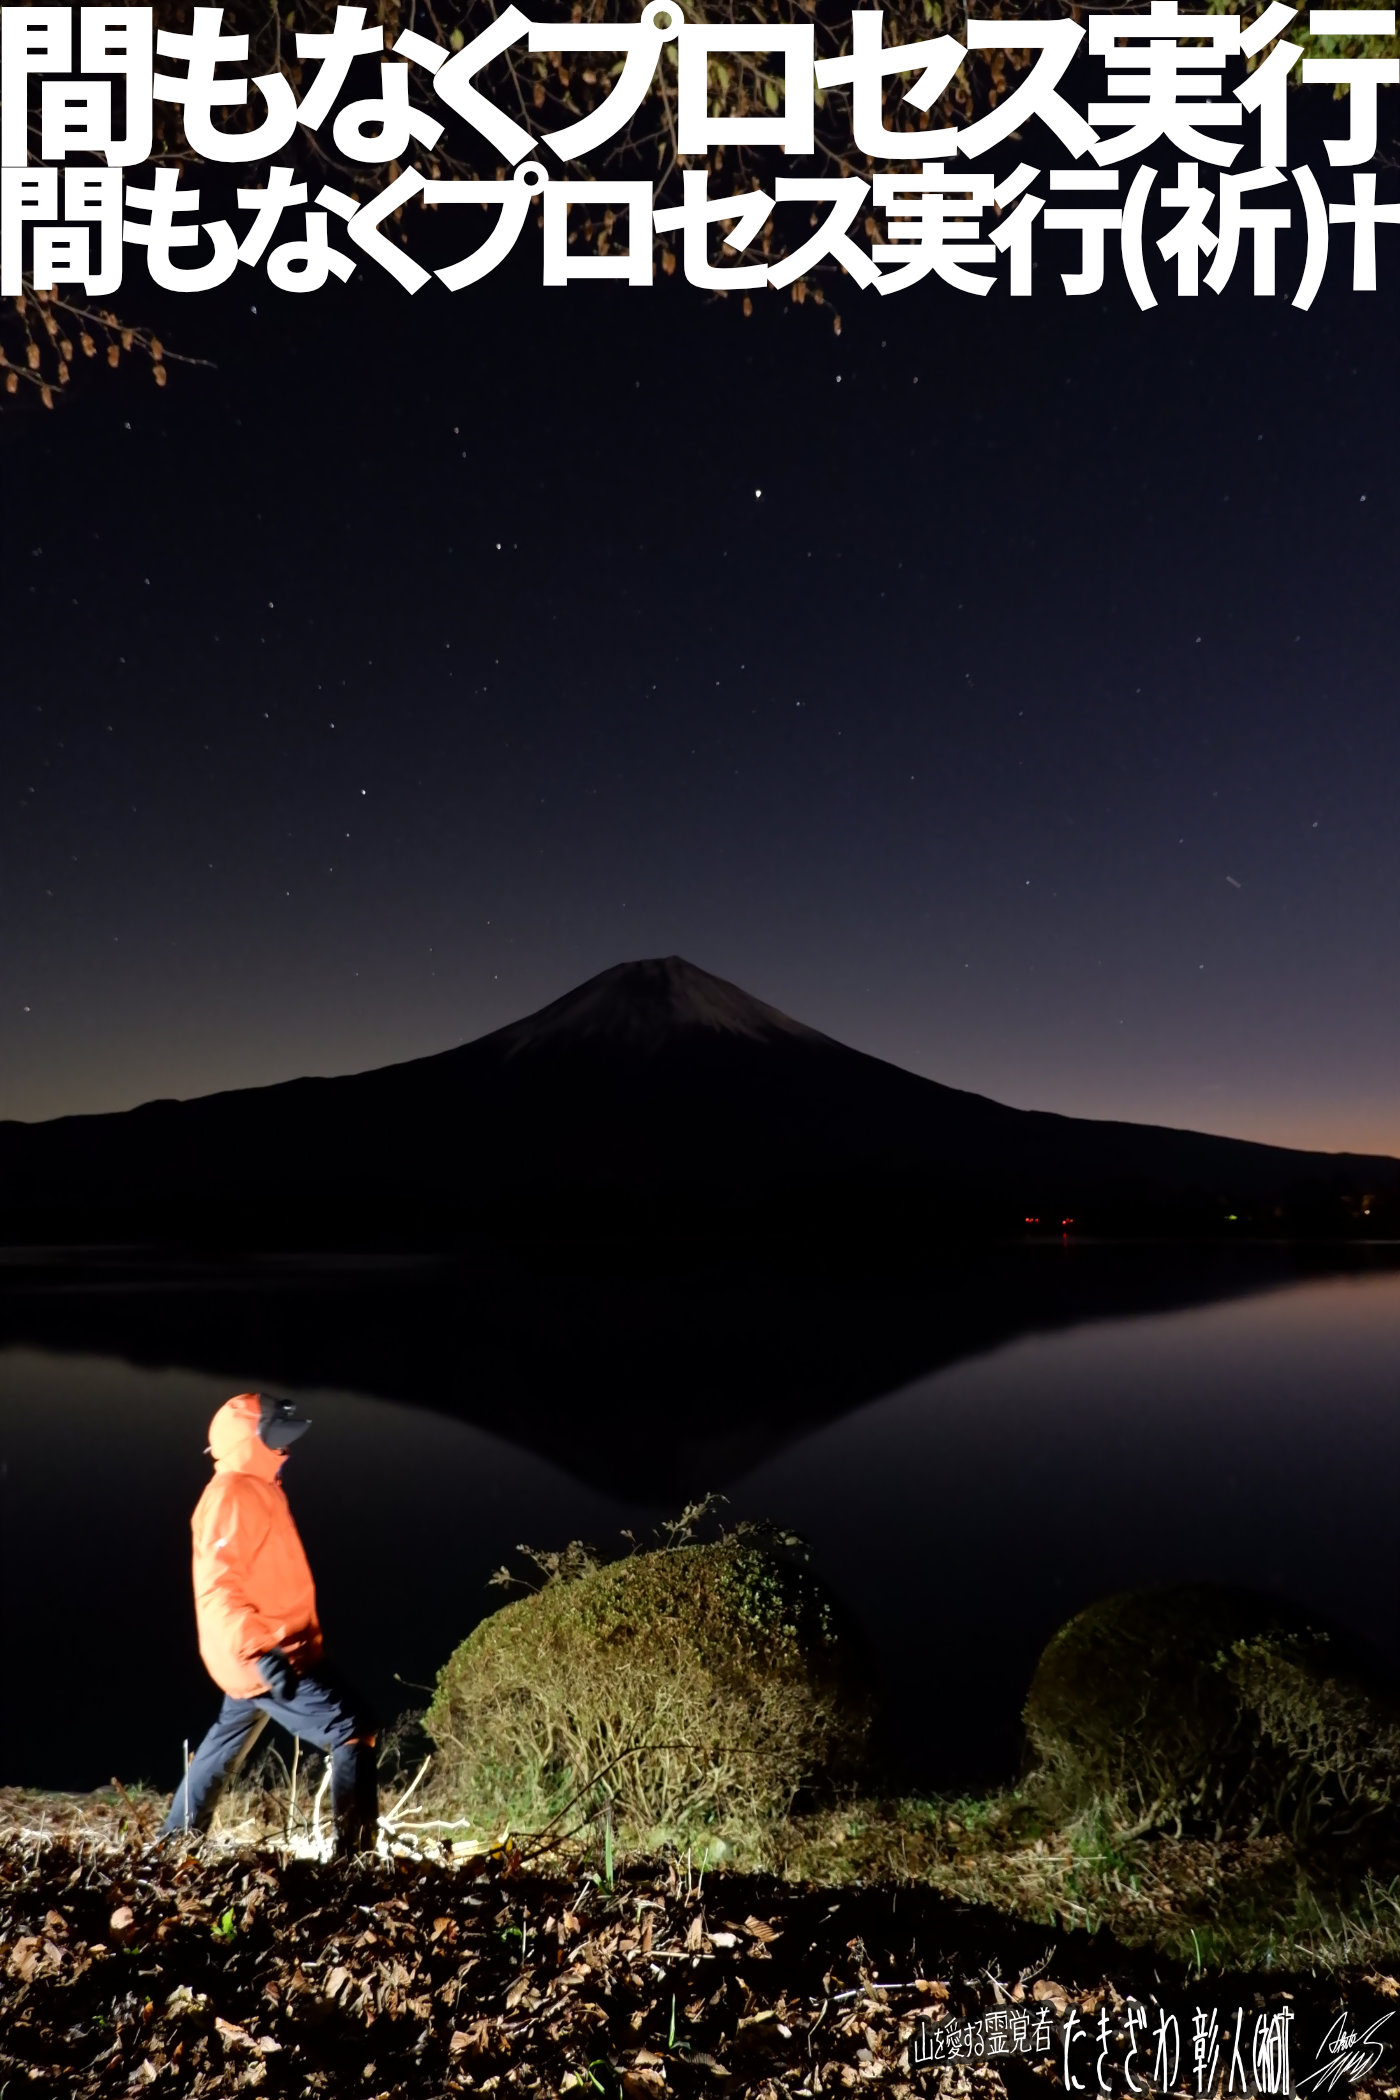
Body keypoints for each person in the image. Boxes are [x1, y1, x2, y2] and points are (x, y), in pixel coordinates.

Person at [161, 1390, 379, 1856]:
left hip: (273, 1649)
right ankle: (354, 1863)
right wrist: (258, 1651)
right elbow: (218, 1587)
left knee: (222, 1749)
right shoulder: (231, 1495)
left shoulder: (259, 1487)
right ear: (249, 1442)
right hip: (266, 1652)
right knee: (351, 1728)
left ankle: (173, 1843)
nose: (287, 1449)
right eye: (277, 1439)